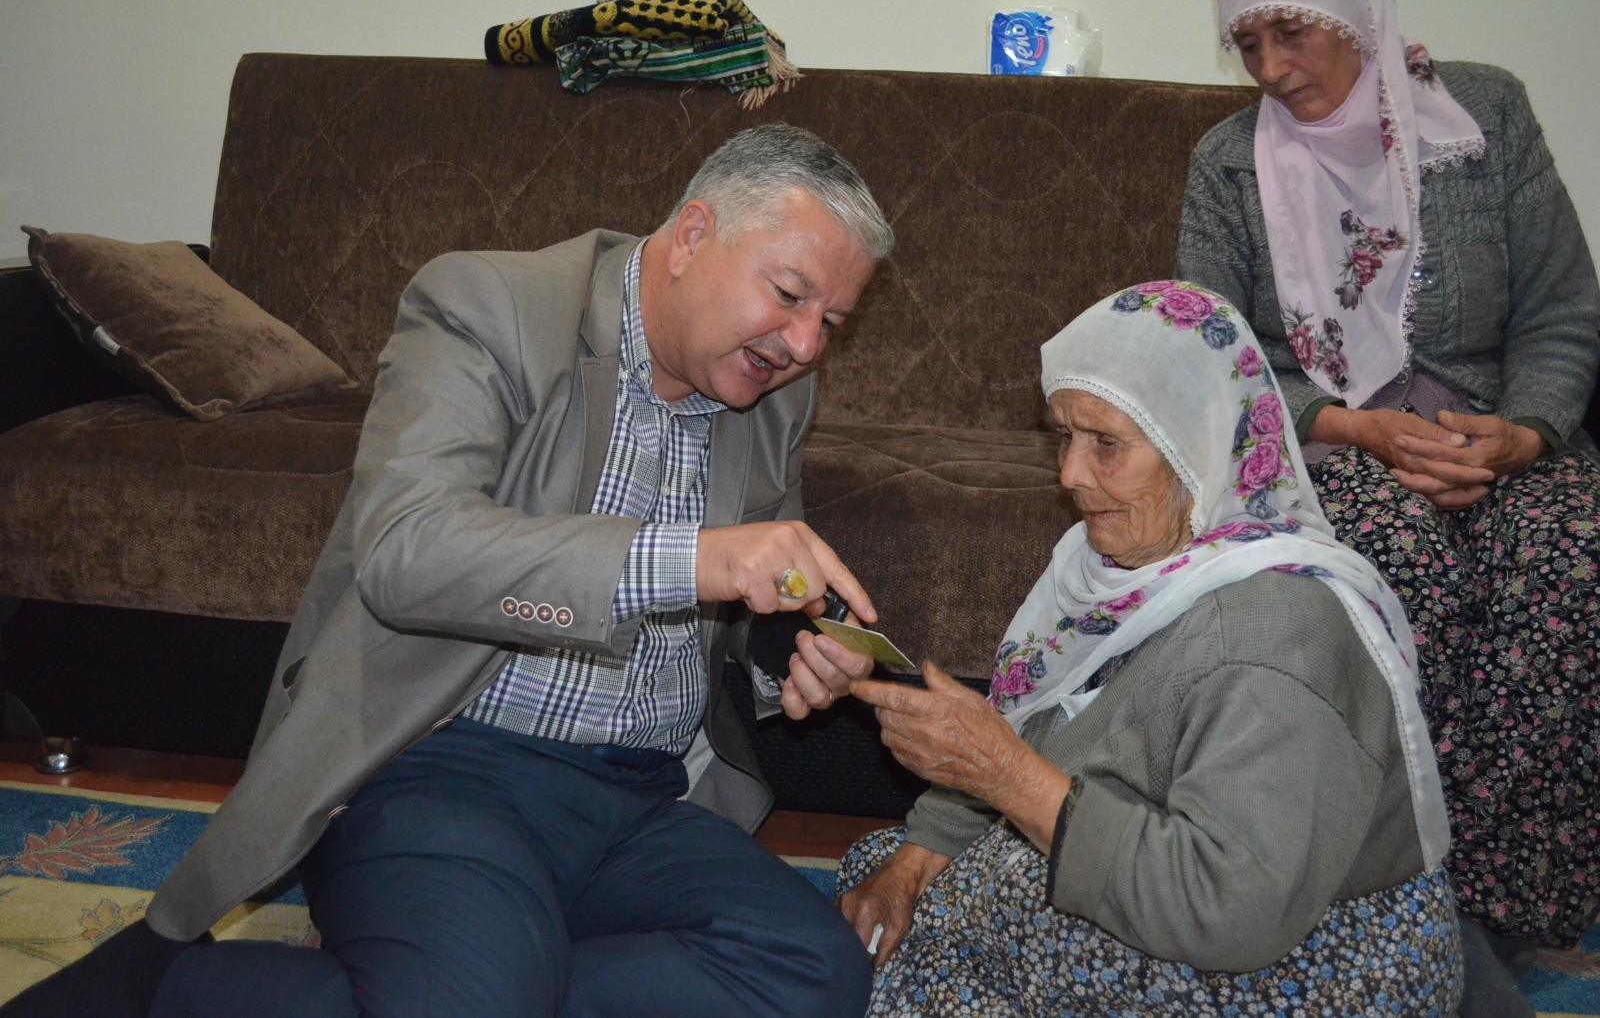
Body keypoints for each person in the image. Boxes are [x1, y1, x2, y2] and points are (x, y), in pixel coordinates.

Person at [3, 123, 894, 1018]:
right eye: (788, 294)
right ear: (694, 235)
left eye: (833, 322)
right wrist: (693, 559)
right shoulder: (487, 303)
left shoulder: (776, 393)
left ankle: (483, 976)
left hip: (640, 801)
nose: (806, 344)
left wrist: (792, 663)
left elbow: (741, 617)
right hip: (442, 767)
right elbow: (408, 549)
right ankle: (157, 990)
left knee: (817, 973)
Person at [838, 281, 1464, 1016]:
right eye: (1065, 436)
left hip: (1313, 961)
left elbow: (1229, 907)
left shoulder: (1274, 631)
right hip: (1204, 890)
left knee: (932, 939)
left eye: (1106, 443)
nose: (1070, 473)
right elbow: (1044, 719)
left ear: (1194, 442)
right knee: (889, 875)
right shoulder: (1117, 568)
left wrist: (1005, 774)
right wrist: (915, 865)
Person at [1174, 0, 1600, 977]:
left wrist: (1524, 435)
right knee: (1386, 566)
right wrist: (1354, 429)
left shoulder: (1483, 115)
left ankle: (1516, 899)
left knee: (1568, 558)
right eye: (1249, 46)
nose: (1272, 68)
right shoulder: (1226, 163)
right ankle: (1399, 886)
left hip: (1494, 432)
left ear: (1357, 18)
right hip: (1328, 442)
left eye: (1294, 34)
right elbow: (1216, 353)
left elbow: (1558, 311)